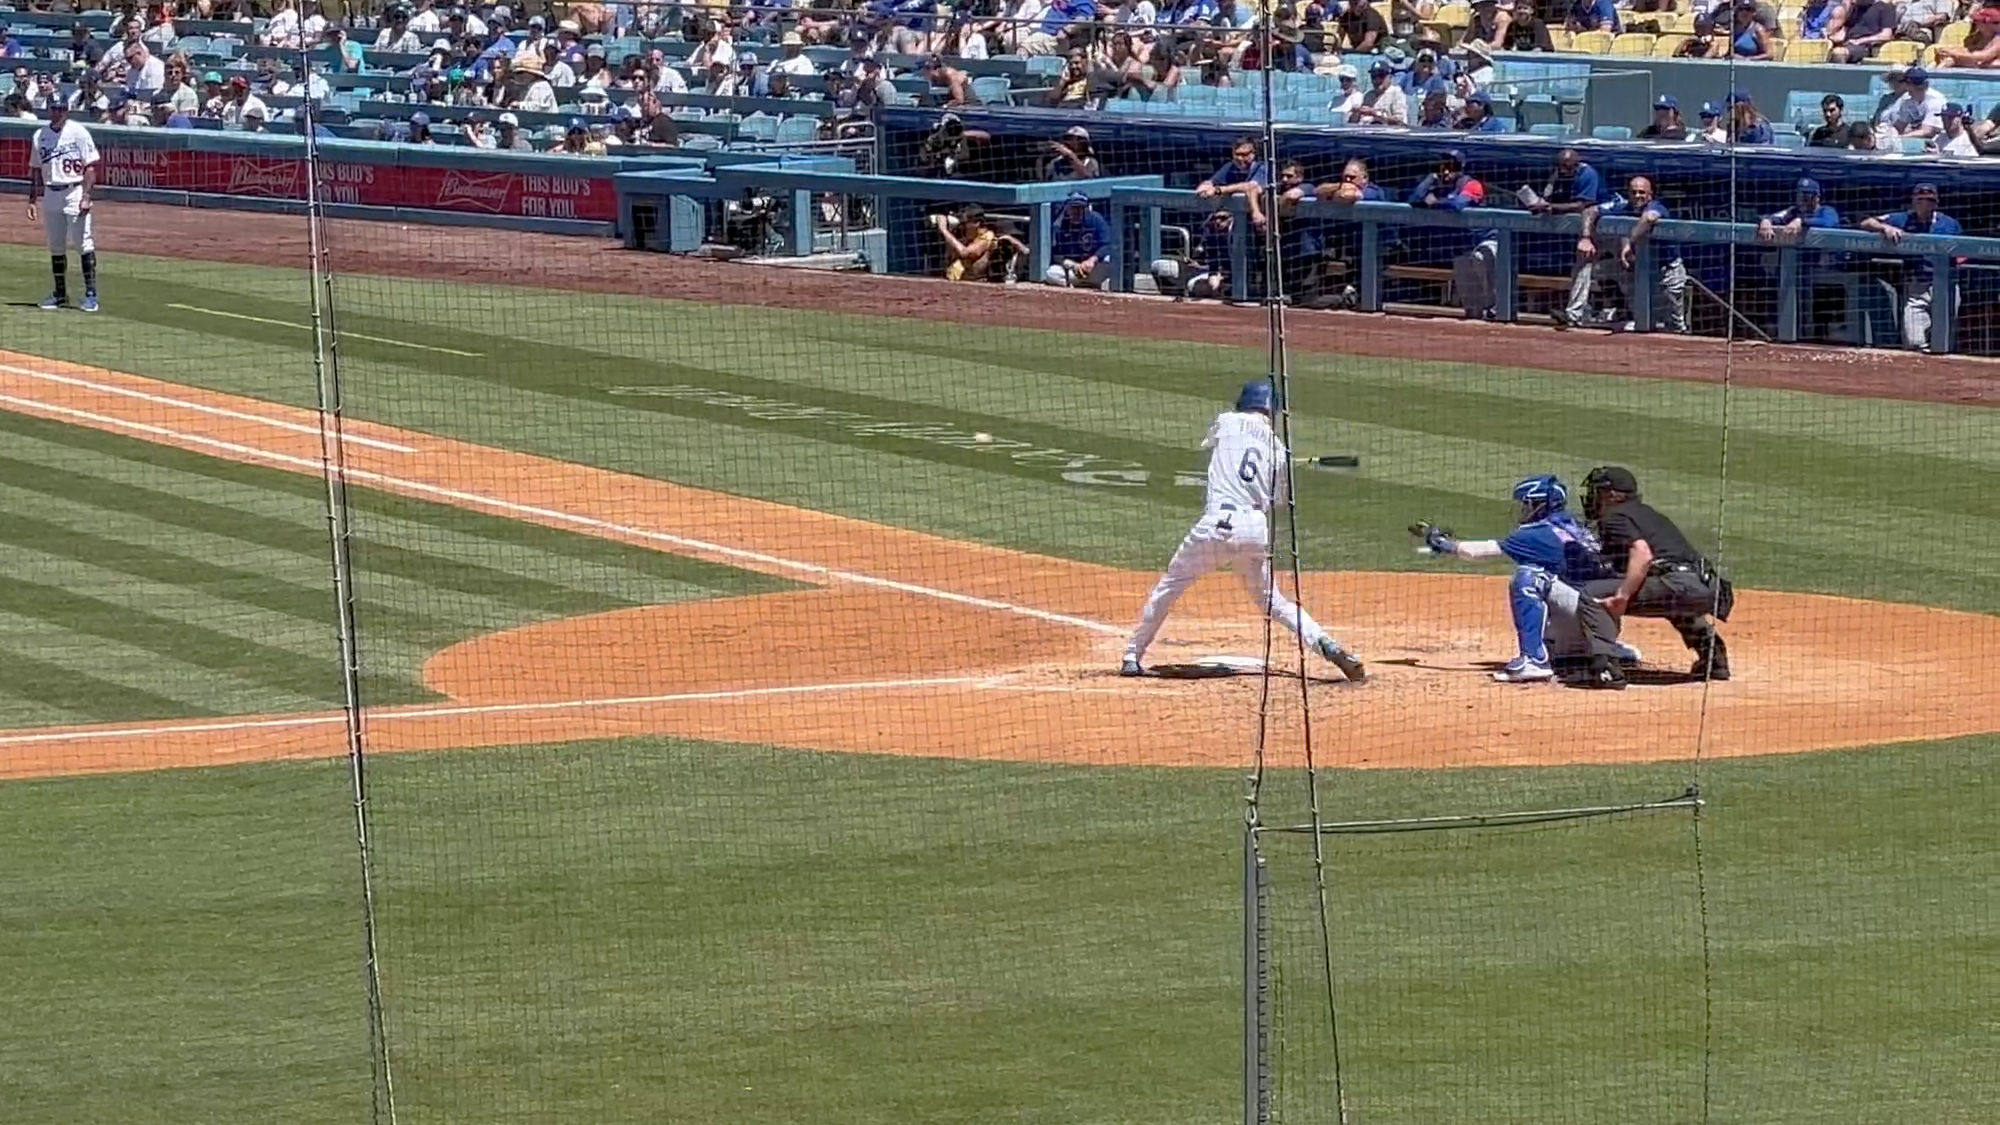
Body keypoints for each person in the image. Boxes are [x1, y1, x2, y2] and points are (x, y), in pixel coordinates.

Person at [1122, 381, 1366, 681]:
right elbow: (1276, 501)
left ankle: (1132, 656)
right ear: (1271, 409)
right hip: (1255, 530)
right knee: (1273, 601)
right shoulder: (1278, 449)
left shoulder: (1227, 421)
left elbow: (1214, 446)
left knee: (1170, 587)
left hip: (1217, 526)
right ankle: (1326, 644)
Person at [1412, 475, 1630, 688]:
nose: (1523, 510)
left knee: (1529, 576)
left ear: (1540, 505)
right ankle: (1604, 648)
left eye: (1527, 504)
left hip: (1580, 617)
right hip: (1604, 621)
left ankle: (1534, 661)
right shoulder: (1573, 526)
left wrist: (1443, 543)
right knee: (1564, 581)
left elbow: (1479, 552)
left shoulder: (1535, 534)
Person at [1580, 466, 1733, 681]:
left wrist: (1622, 596)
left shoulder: (1614, 517)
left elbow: (1642, 553)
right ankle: (1714, 659)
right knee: (1671, 599)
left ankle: (1605, 667)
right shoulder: (1649, 514)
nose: (1592, 497)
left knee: (1592, 594)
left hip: (1679, 584)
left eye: (1597, 491)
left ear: (1610, 494)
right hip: (1707, 588)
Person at [1563, 174, 1688, 333]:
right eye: (1633, 192)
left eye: (1642, 192)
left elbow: (1649, 218)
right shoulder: (1623, 207)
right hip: (1637, 269)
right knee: (1592, 265)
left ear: (1650, 194)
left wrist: (1629, 242)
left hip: (1666, 269)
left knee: (1674, 322)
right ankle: (1581, 314)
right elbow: (1590, 210)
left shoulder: (1657, 206)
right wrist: (1586, 237)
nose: (1637, 196)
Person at [1860, 183, 1961, 352]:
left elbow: (1962, 256)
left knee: (1943, 343)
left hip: (1945, 286)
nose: (1924, 204)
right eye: (1920, 200)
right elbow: (1866, 222)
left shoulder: (1949, 224)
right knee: (1913, 341)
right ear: (1913, 201)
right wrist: (1886, 227)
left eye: (1929, 200)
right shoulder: (1903, 218)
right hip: (1916, 286)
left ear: (1936, 203)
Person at [27, 93, 101, 313]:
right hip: (51, 192)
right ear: (48, 109)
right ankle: (60, 293)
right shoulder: (39, 135)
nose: (57, 112)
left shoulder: (78, 132)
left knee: (83, 243)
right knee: (56, 245)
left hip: (74, 191)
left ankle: (91, 295)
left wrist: (87, 196)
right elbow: (35, 170)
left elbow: (90, 167)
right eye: (53, 108)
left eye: (61, 108)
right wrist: (32, 200)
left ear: (67, 110)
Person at [1409, 149, 1496, 319]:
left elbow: (1458, 205)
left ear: (1461, 168)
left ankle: (1496, 308)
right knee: (1470, 302)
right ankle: (1476, 319)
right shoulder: (1438, 185)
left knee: (1479, 259)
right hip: (1463, 244)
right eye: (1443, 166)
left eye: (1452, 166)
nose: (1447, 171)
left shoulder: (1471, 184)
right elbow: (1414, 199)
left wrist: (1435, 202)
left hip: (1487, 241)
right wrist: (1431, 178)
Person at [1045, 191, 1113, 288]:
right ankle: (1082, 285)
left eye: (1080, 208)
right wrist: (1074, 265)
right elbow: (1057, 256)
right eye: (1074, 208)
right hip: (1073, 270)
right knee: (1051, 273)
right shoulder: (1060, 225)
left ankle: (1084, 284)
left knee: (1110, 261)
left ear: (1086, 208)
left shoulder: (1096, 220)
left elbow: (1107, 245)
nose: (1077, 211)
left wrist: (1092, 260)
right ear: (1068, 209)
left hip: (1094, 267)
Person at [935, 206, 998, 281]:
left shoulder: (987, 236)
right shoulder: (962, 234)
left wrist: (944, 230)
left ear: (977, 223)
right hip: (953, 280)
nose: (963, 225)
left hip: (974, 283)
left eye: (966, 222)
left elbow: (965, 252)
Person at [1827, 0, 1897, 62]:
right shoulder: (1854, 9)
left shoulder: (1884, 7)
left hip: (1866, 46)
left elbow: (1886, 35)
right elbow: (1841, 30)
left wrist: (1860, 41)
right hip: (1848, 43)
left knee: (1838, 53)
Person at [1349, 59, 1409, 126]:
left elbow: (1400, 121)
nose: (1377, 80)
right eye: (1374, 76)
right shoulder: (1368, 95)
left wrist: (1374, 113)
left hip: (1389, 134)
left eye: (1381, 76)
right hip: (1367, 132)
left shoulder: (1396, 93)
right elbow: (1353, 123)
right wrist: (1356, 113)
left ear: (1389, 77)